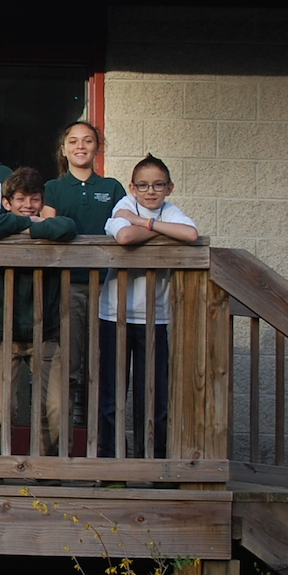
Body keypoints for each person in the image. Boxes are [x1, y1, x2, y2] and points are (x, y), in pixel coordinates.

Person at [98, 154, 199, 459]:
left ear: (170, 187)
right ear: (133, 187)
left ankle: (154, 462)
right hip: (114, 314)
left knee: (154, 395)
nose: (151, 191)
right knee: (113, 394)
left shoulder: (170, 211)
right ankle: (112, 464)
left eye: (158, 185)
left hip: (157, 317)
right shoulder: (123, 206)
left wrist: (148, 223)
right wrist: (163, 230)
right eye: (143, 185)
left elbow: (191, 234)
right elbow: (126, 236)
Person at [0, 168, 77, 456]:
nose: (28, 205)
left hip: (46, 332)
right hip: (1, 332)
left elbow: (67, 227)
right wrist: (28, 225)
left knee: (55, 407)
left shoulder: (52, 225)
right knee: (1, 410)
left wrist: (28, 229)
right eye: (20, 199)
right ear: (7, 202)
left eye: (34, 199)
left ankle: (49, 470)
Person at [41, 120, 127, 436]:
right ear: (63, 149)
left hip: (109, 286)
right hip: (69, 286)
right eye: (73, 140)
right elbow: (47, 229)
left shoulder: (112, 187)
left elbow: (124, 224)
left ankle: (99, 438)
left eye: (87, 140)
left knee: (103, 365)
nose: (80, 146)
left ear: (96, 147)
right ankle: (66, 439)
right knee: (70, 364)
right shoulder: (53, 188)